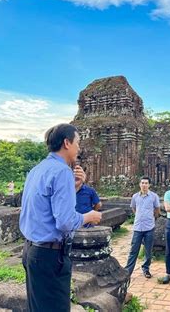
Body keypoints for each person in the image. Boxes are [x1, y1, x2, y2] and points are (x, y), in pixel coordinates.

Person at [20, 124, 102, 312]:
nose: (79, 148)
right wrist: (88, 216)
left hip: (31, 251)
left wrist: (73, 188)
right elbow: (64, 222)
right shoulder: (62, 171)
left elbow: (45, 207)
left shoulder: (37, 169)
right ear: (67, 143)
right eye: (78, 143)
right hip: (50, 257)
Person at [124, 176, 161, 278]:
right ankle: (128, 271)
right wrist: (139, 216)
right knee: (133, 250)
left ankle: (146, 268)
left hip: (149, 227)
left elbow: (157, 210)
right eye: (142, 183)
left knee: (148, 250)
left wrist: (151, 218)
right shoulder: (135, 196)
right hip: (137, 227)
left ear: (149, 185)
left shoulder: (154, 196)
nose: (144, 185)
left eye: (146, 183)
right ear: (140, 184)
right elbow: (134, 208)